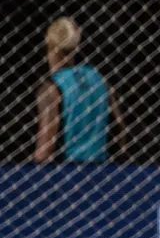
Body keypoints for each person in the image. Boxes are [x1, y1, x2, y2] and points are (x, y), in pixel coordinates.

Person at [34, 17, 127, 163]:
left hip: (66, 171)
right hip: (101, 169)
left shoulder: (52, 88)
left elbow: (45, 147)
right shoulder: (98, 79)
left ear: (49, 45)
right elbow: (120, 128)